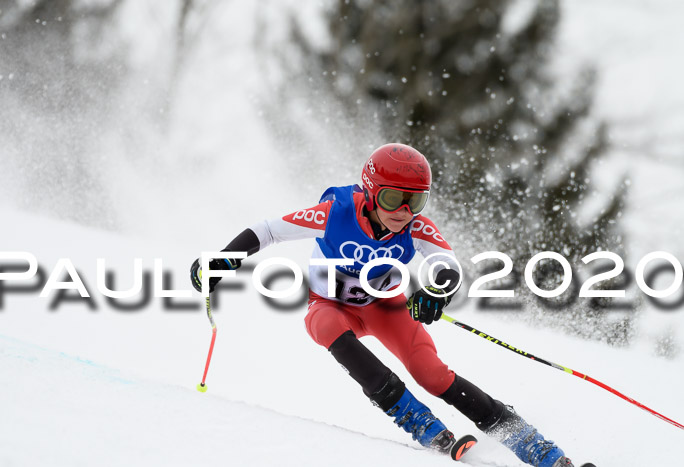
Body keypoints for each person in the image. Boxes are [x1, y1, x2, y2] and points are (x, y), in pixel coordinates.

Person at [191, 143, 575, 467]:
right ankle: (416, 420)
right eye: (394, 198)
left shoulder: (415, 227)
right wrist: (222, 261)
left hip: (386, 308)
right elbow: (269, 230)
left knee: (432, 375)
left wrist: (436, 292)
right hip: (331, 304)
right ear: (372, 191)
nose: (404, 212)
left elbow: (446, 264)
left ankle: (534, 446)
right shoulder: (335, 213)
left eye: (416, 201)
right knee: (323, 324)